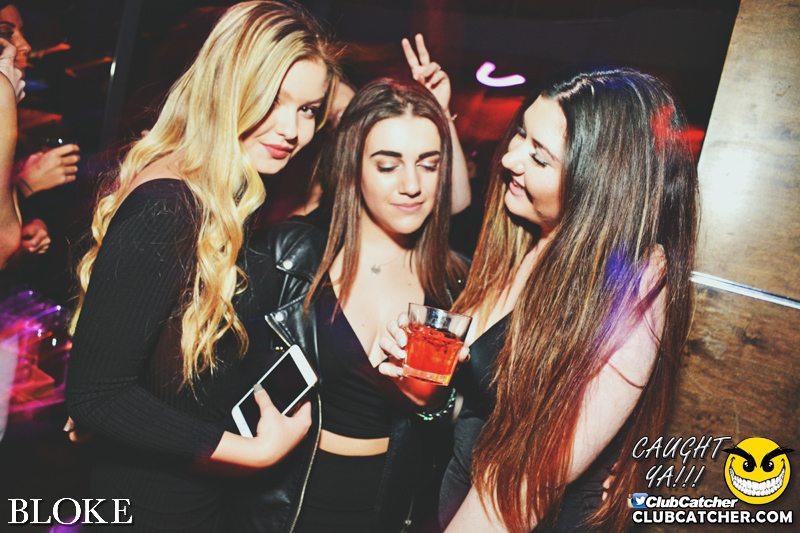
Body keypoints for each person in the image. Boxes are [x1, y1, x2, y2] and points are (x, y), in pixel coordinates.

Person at [381, 67, 697, 532]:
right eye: (520, 134)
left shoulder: (635, 277)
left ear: (597, 182)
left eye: (539, 157)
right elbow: (475, 418)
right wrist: (425, 392)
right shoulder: (523, 239)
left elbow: (526, 484)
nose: (510, 158)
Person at [65, 1, 339, 530]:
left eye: (309, 109)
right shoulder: (171, 206)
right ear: (227, 88)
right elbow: (96, 396)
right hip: (151, 506)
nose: (292, 129)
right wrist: (254, 452)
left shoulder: (225, 197)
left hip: (188, 494)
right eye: (273, 99)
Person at [228, 78, 469, 533]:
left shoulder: (457, 285)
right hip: (278, 508)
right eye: (388, 165)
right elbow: (210, 382)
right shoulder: (287, 256)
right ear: (352, 166)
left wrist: (434, 399)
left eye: (429, 164)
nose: (412, 185)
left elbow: (455, 428)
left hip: (387, 514)